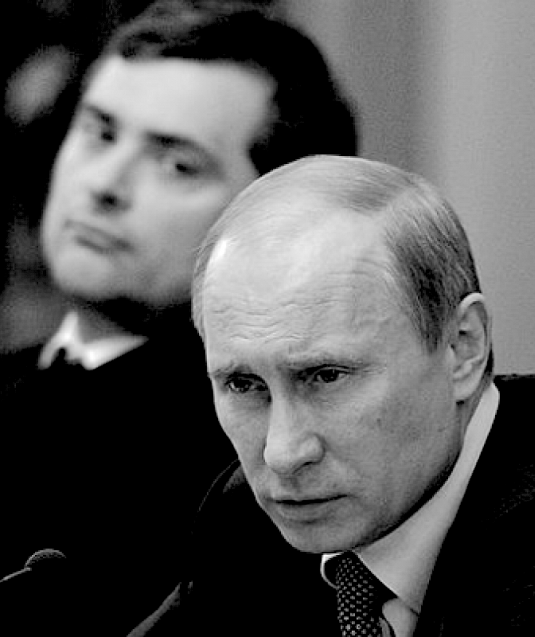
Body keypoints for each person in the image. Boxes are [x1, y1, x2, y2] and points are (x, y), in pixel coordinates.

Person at [0, 2, 358, 634]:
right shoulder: (13, 383)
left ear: (273, 217)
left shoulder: (262, 473)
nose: (105, 184)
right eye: (100, 132)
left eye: (177, 164)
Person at [130, 155, 535, 636]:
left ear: (462, 348)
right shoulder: (242, 525)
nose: (283, 454)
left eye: (326, 377)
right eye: (244, 385)